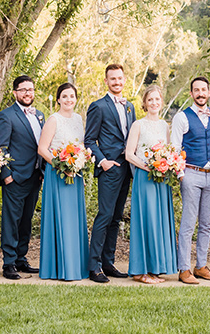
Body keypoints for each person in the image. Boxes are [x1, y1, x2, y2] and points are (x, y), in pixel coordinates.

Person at [170, 76, 210, 285]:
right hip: (191, 173)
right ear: (191, 94)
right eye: (196, 90)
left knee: (206, 223)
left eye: (204, 89)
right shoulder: (182, 117)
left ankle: (201, 266)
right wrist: (181, 174)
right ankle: (183, 268)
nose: (201, 93)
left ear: (209, 92)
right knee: (188, 223)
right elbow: (175, 148)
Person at [85, 63, 136, 283]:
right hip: (109, 169)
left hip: (127, 169)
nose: (117, 82)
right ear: (106, 81)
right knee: (104, 216)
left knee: (116, 218)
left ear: (124, 80)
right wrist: (103, 161)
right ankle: (94, 266)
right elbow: (89, 140)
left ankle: (108, 262)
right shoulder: (98, 106)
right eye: (112, 79)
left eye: (120, 78)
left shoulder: (130, 106)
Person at [125, 85, 178, 284]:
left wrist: (167, 164)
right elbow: (129, 154)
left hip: (162, 179)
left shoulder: (165, 125)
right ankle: (140, 271)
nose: (154, 103)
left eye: (157, 99)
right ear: (145, 103)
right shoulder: (138, 124)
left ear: (161, 102)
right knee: (145, 220)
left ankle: (155, 268)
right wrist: (149, 167)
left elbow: (168, 151)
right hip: (145, 177)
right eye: (150, 100)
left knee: (158, 221)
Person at [0, 75, 45, 280]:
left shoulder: (39, 115)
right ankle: (8, 263)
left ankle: (21, 259)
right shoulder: (6, 116)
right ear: (14, 92)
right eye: (23, 90)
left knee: (26, 220)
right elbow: (1, 147)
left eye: (30, 89)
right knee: (11, 221)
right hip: (15, 177)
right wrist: (7, 175)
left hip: (35, 176)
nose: (27, 93)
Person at [38, 82, 90, 281]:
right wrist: (62, 166)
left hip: (74, 176)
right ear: (58, 99)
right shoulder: (53, 119)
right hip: (58, 174)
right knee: (60, 219)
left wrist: (78, 171)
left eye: (72, 96)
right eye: (65, 96)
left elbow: (81, 149)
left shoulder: (78, 119)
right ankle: (58, 267)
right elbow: (42, 149)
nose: (69, 100)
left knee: (74, 220)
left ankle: (75, 266)